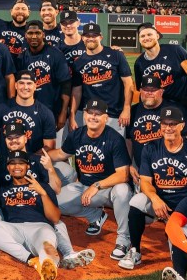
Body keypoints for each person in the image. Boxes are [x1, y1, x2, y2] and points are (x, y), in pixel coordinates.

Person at [123, 106, 187, 270]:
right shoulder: (151, 148)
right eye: (164, 124)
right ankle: (134, 250)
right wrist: (155, 199)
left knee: (185, 252)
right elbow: (145, 181)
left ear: (182, 126)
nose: (168, 128)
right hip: (161, 203)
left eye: (173, 124)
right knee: (137, 201)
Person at [50, 98, 133, 261]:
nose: (93, 117)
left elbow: (123, 175)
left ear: (106, 118)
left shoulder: (114, 139)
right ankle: (95, 215)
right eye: (90, 113)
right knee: (55, 202)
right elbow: (60, 154)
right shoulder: (77, 135)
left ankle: (124, 240)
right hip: (85, 188)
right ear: (84, 115)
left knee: (123, 190)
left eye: (98, 114)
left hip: (110, 190)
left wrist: (97, 185)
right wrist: (36, 156)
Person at [0, 150, 62, 280]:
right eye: (13, 163)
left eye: (21, 163)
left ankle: (47, 270)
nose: (17, 166)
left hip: (39, 229)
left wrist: (42, 193)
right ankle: (31, 259)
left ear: (28, 166)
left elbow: (55, 218)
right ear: (8, 167)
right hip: (14, 229)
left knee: (47, 247)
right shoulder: (2, 189)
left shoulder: (42, 185)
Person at [70, 23, 134, 132]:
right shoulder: (78, 62)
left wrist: (126, 108)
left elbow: (128, 83)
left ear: (100, 37)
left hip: (114, 115)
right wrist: (72, 115)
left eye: (94, 35)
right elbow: (77, 91)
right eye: (87, 36)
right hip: (90, 115)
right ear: (82, 38)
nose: (91, 38)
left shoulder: (116, 55)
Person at [0, 71, 56, 164]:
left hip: (32, 163)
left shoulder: (45, 113)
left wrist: (28, 161)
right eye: (21, 83)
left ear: (35, 86)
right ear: (16, 85)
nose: (25, 87)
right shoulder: (2, 108)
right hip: (5, 163)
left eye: (29, 83)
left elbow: (49, 146)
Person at [19, 20, 72, 134]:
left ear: (43, 34)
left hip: (53, 112)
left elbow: (66, 85)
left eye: (37, 33)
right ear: (25, 35)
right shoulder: (22, 57)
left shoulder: (56, 54)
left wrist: (63, 113)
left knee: (52, 144)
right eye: (30, 33)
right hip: (29, 112)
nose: (34, 36)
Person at [134, 22, 187, 112]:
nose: (146, 38)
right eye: (142, 36)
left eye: (149, 34)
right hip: (162, 110)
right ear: (139, 40)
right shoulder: (139, 63)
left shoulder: (176, 50)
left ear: (157, 36)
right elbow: (142, 89)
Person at [125, 76, 174, 175]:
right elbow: (129, 140)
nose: (149, 93)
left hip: (168, 170)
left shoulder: (174, 110)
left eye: (153, 90)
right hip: (141, 171)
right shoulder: (131, 112)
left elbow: (185, 139)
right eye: (146, 90)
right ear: (140, 91)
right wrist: (129, 164)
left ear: (161, 92)